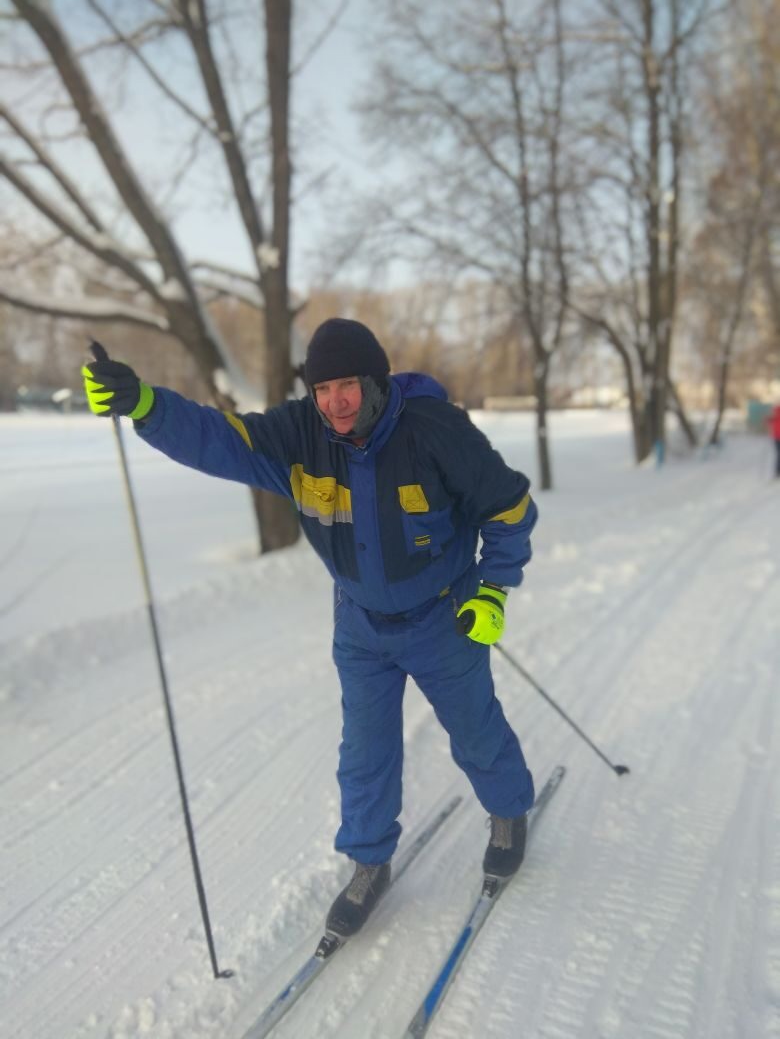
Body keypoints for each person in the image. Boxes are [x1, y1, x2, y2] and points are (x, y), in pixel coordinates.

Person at [81, 318, 538, 938]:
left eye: (347, 385)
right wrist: (144, 404)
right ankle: (368, 862)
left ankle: (509, 813)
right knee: (365, 752)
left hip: (442, 618)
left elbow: (510, 510)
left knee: (475, 729)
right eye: (323, 390)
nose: (335, 402)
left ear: (373, 381)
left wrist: (491, 589)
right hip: (359, 627)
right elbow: (217, 437)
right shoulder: (299, 435)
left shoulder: (435, 430)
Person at [768, 402, 780, 478]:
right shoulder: (774, 418)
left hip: (776, 438)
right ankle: (777, 472)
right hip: (776, 438)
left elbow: (767, 421)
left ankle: (777, 472)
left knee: (778, 455)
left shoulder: (774, 418)